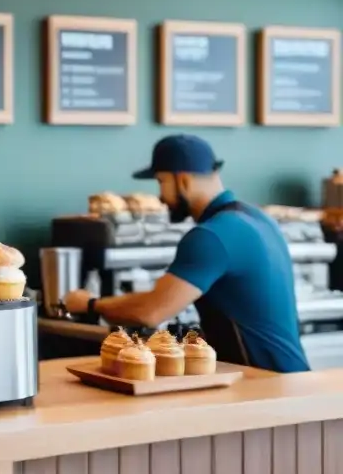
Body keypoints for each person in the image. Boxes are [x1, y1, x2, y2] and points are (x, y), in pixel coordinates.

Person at [64, 135, 310, 373]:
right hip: (292, 380)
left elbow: (151, 311)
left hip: (265, 385)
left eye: (161, 182)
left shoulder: (211, 236)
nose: (160, 197)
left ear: (182, 179)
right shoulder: (259, 219)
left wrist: (90, 303)